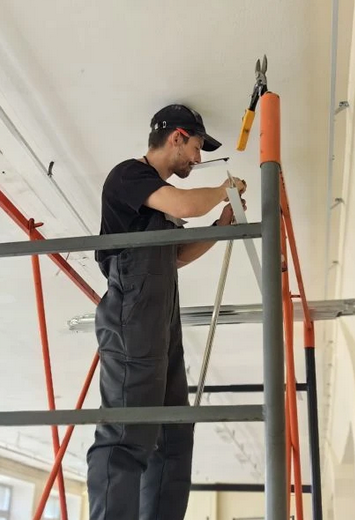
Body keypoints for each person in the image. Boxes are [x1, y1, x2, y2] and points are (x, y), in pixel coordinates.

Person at [87, 104, 247, 520]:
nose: (197, 158)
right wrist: (224, 189)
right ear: (176, 136)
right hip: (132, 313)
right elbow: (186, 205)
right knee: (127, 433)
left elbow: (175, 256)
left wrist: (222, 227)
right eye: (196, 147)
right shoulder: (130, 175)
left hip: (160, 317)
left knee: (174, 433)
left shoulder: (158, 201)